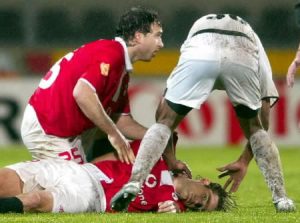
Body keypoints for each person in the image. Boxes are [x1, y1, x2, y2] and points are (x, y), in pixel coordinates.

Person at [111, 14, 296, 212]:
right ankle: (281, 198)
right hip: (241, 49)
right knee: (255, 128)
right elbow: (264, 120)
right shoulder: (257, 47)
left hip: (201, 41)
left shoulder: (195, 33)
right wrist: (244, 160)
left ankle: (134, 183)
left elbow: (161, 110)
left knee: (164, 121)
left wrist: (172, 161)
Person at [20, 6, 164, 164]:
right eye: (157, 36)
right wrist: (114, 134)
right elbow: (83, 93)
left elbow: (122, 122)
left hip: (59, 126)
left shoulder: (118, 63)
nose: (161, 44)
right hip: (48, 126)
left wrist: (158, 135)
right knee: (77, 186)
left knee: (75, 181)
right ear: (138, 37)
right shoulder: (111, 54)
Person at [0, 139, 233, 214]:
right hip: (78, 171)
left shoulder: (170, 205)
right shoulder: (154, 157)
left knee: (35, 200)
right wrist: (172, 161)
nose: (197, 204)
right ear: (204, 182)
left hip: (89, 197)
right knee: (4, 180)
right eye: (204, 199)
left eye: (201, 209)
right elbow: (166, 131)